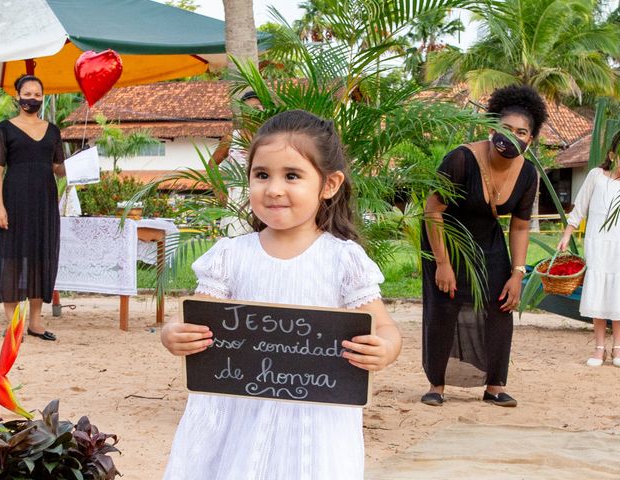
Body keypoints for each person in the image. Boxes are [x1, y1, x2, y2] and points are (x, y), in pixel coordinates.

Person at [161, 110, 402, 479]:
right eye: (262, 175)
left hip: (315, 421)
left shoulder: (343, 259)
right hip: (235, 415)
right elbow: (196, 316)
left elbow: (385, 328)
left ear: (329, 184)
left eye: (292, 175)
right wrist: (173, 334)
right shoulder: (230, 255)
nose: (273, 189)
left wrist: (383, 349)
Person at [420, 85, 548, 407]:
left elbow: (519, 226)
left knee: (499, 305)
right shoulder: (461, 160)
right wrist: (443, 264)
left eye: (521, 132)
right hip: (447, 237)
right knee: (445, 306)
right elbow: (432, 210)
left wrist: (517, 274)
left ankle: (494, 385)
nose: (512, 136)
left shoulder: (529, 174)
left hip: (488, 241)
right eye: (506, 128)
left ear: (530, 139)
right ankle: (437, 385)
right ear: (492, 128)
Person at [0, 74, 65, 341]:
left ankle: (34, 322)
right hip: (14, 200)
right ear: (17, 96)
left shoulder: (53, 130)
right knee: (12, 257)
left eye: (37, 95)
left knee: (40, 257)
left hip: (44, 202)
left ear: (43, 97)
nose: (32, 99)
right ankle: (13, 324)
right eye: (28, 94)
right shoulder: (5, 129)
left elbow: (59, 169)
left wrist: (82, 165)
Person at [557, 131, 620, 367]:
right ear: (612, 155)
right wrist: (566, 234)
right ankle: (599, 347)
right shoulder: (596, 176)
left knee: (618, 296)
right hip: (598, 244)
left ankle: (617, 348)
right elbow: (580, 206)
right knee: (599, 292)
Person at [212, 90, 263, 237]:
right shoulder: (233, 137)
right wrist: (219, 191)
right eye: (247, 109)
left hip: (264, 194)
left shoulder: (269, 139)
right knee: (236, 243)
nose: (252, 113)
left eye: (257, 108)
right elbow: (212, 164)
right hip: (238, 199)